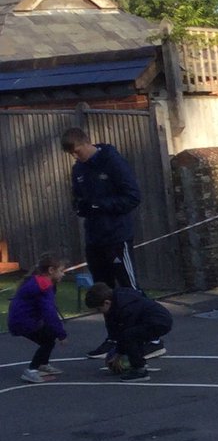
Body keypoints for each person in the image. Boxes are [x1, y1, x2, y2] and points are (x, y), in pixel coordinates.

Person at [61, 127, 162, 361]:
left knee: (129, 287)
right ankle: (115, 337)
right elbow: (77, 198)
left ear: (86, 144)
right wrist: (80, 206)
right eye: (72, 155)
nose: (76, 157)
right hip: (95, 236)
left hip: (116, 236)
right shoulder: (79, 170)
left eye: (78, 152)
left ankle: (153, 336)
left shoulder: (112, 162)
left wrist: (100, 206)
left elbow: (132, 197)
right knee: (102, 290)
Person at [83, 282, 173, 382]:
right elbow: (114, 330)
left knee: (130, 336)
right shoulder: (115, 302)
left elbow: (125, 333)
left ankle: (139, 370)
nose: (99, 312)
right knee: (131, 336)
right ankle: (138, 362)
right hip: (151, 320)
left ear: (107, 303)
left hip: (159, 321)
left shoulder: (126, 307)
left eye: (98, 309)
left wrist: (118, 355)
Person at [8, 253, 67, 384]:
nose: (64, 274)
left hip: (23, 319)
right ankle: (32, 370)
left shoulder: (39, 281)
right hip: (23, 321)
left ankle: (42, 364)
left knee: (49, 337)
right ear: (51, 270)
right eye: (61, 271)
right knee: (48, 340)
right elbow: (49, 312)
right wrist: (61, 334)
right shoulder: (43, 286)